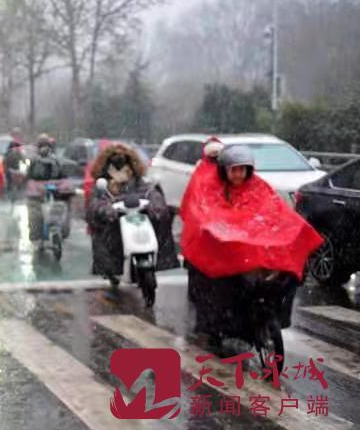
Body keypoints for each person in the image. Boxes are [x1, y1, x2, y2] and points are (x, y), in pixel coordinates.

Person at [181, 144, 322, 337]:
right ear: (224, 170)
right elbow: (206, 213)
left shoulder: (258, 186)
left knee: (281, 274)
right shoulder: (210, 185)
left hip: (251, 245)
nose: (239, 175)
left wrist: (292, 229)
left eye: (243, 170)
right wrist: (222, 230)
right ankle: (222, 327)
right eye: (234, 170)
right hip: (226, 248)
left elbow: (275, 210)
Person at [85, 142, 178, 278]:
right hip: (113, 246)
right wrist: (107, 211)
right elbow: (94, 208)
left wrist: (156, 208)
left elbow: (154, 197)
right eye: (115, 168)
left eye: (125, 168)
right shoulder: (101, 188)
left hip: (140, 237)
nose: (121, 172)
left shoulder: (143, 185)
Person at [26, 135, 71, 241]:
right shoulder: (35, 160)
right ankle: (37, 234)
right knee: (36, 214)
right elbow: (29, 176)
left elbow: (63, 175)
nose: (44, 148)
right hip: (39, 191)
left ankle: (56, 229)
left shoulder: (54, 160)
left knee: (59, 208)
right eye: (42, 146)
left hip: (52, 190)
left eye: (46, 146)